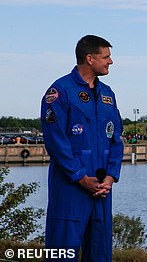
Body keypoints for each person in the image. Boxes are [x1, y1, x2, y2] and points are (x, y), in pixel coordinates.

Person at [40, 35, 124, 261]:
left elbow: (116, 138)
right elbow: (56, 141)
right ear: (89, 58)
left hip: (102, 189)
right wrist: (80, 177)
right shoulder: (60, 91)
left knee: (100, 253)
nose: (111, 62)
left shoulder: (107, 94)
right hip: (71, 189)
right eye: (106, 57)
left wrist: (111, 177)